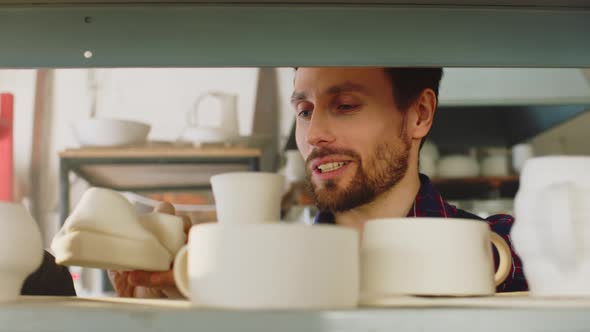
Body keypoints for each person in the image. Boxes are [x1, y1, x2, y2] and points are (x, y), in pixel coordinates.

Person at [110, 67, 528, 297]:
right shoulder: (270, 271)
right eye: (305, 111)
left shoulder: (508, 250)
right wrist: (187, 305)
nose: (313, 136)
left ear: (419, 113)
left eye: (344, 106)